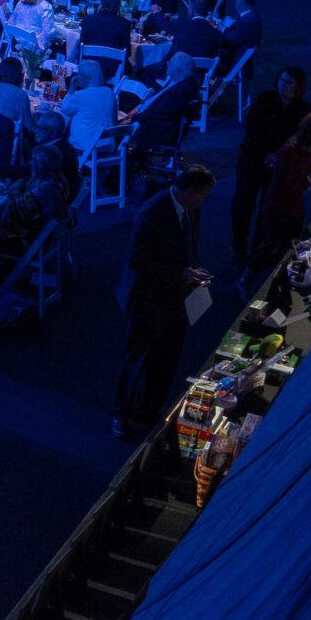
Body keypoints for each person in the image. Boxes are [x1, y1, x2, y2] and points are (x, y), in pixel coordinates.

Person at [114, 164, 216, 441]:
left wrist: (193, 268)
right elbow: (137, 261)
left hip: (176, 296)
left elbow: (189, 244)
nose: (206, 201)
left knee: (168, 355)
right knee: (137, 356)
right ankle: (121, 414)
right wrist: (180, 272)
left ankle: (149, 409)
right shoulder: (152, 213)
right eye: (204, 195)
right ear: (190, 192)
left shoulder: (190, 207)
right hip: (147, 297)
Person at [248, 111, 311, 272]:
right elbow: (284, 182)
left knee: (291, 242)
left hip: (295, 203)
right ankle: (246, 277)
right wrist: (304, 181)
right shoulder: (289, 151)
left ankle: (280, 276)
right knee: (269, 242)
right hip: (277, 202)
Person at [233, 66, 311, 260]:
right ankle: (239, 246)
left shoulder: (304, 110)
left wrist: (279, 157)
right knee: (243, 202)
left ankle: (258, 247)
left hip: (279, 164)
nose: (283, 85)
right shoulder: (264, 100)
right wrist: (266, 154)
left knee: (268, 208)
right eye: (281, 80)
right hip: (253, 158)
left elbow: (301, 140)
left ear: (298, 87)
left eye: (289, 82)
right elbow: (253, 131)